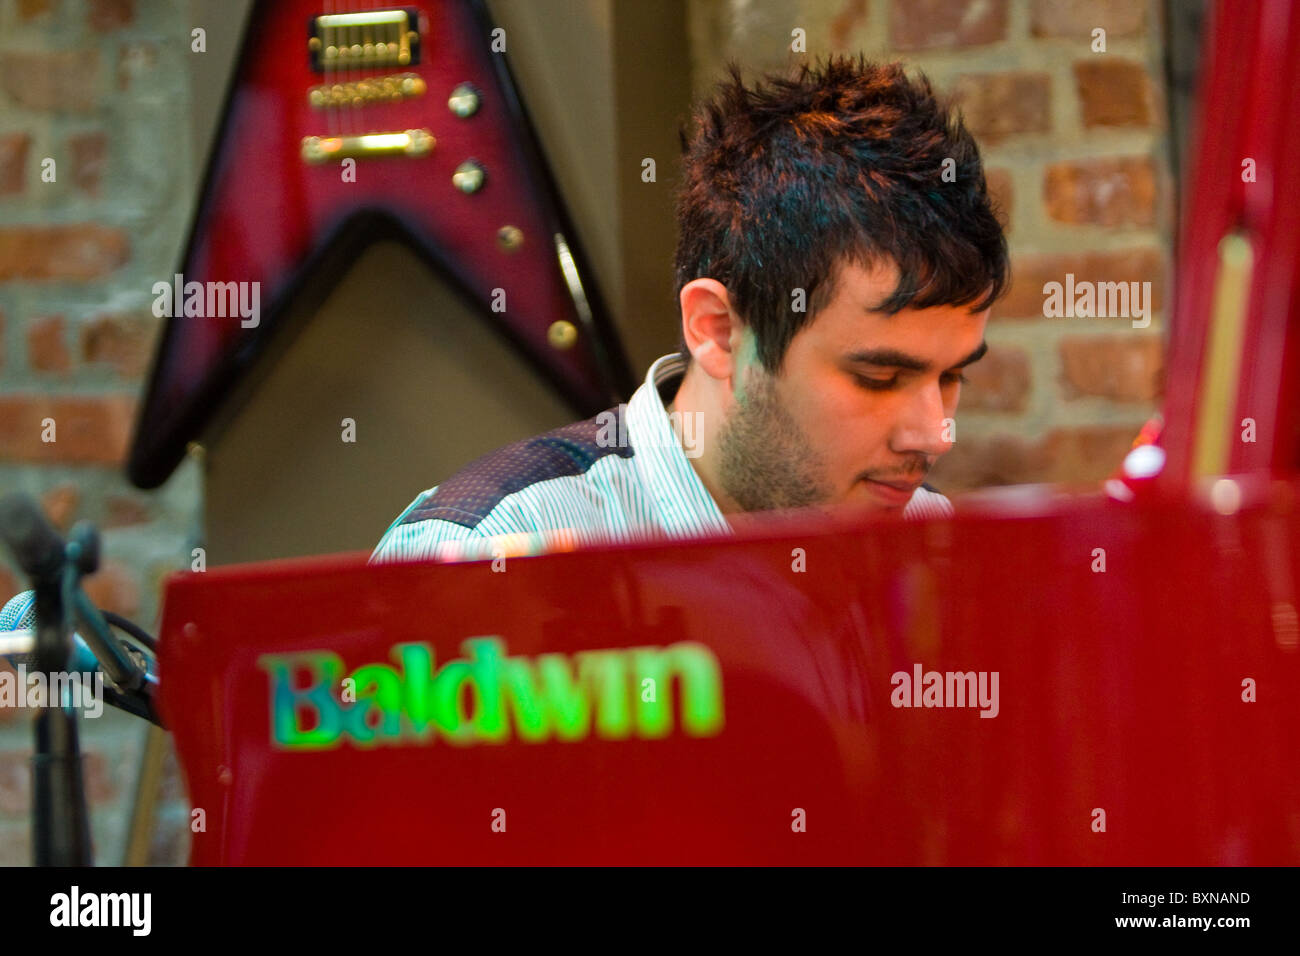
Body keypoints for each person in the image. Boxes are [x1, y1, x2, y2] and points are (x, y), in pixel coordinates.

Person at [370, 55, 1008, 565]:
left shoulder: (928, 538)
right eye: (879, 378)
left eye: (951, 376)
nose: (934, 435)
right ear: (718, 330)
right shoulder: (487, 553)